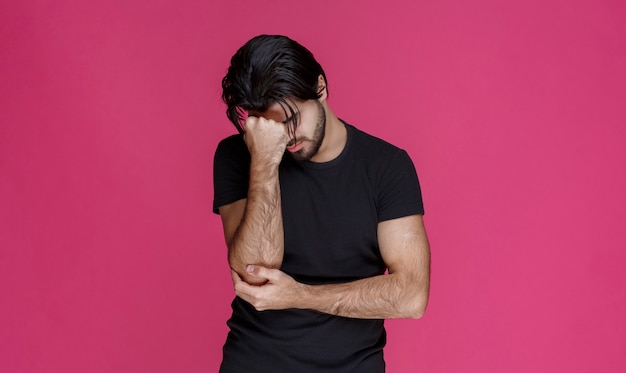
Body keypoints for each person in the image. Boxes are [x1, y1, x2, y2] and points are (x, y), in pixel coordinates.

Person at [213, 34, 430, 372]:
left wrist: (299, 295)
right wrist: (264, 162)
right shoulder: (239, 155)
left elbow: (411, 296)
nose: (284, 137)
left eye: (290, 118)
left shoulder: (387, 166)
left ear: (320, 87)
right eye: (267, 125)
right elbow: (255, 274)